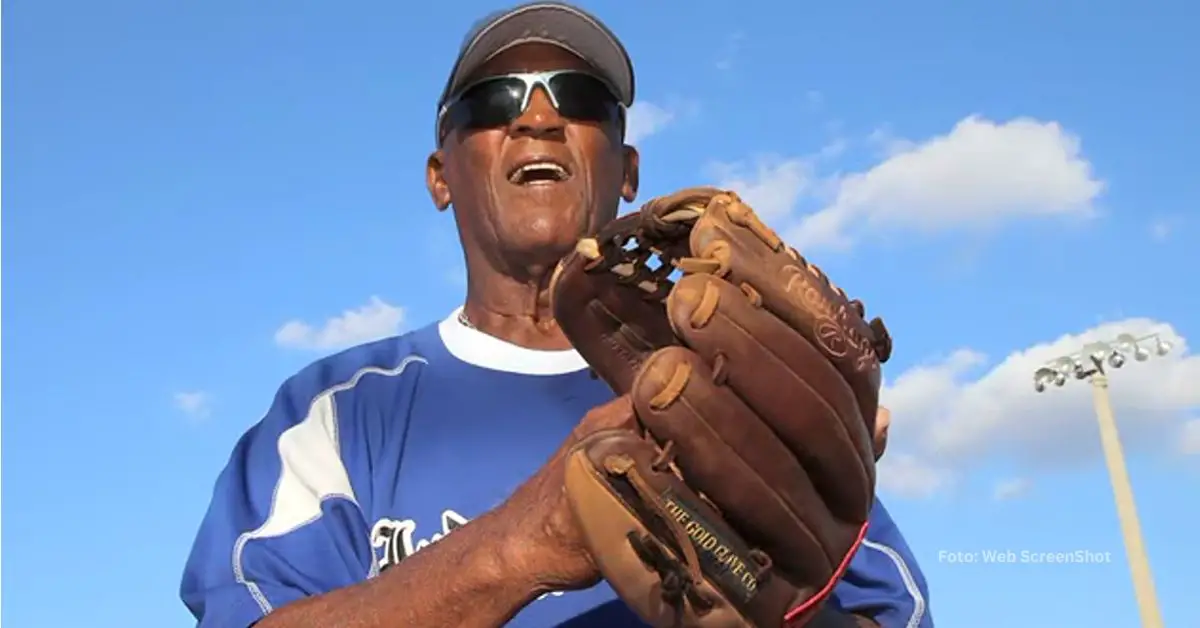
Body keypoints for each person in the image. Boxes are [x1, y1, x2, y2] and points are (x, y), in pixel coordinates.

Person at [179, 3, 932, 627]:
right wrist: (524, 542)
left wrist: (791, 610)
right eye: (492, 101)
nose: (537, 117)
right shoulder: (337, 410)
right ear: (440, 177)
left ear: (628, 170)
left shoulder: (745, 394)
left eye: (579, 99)